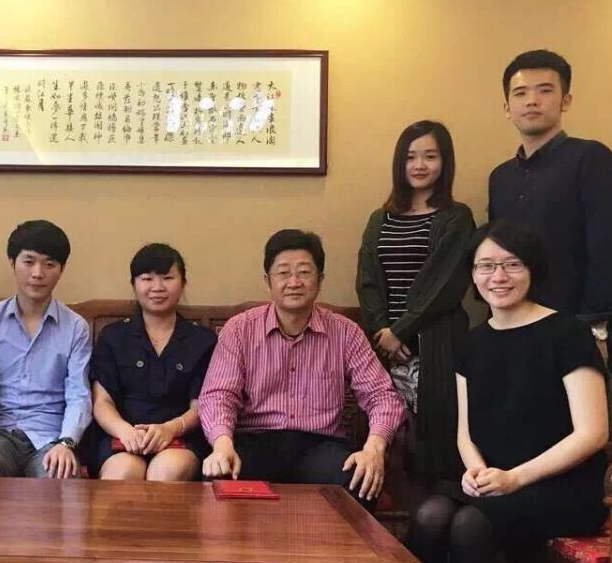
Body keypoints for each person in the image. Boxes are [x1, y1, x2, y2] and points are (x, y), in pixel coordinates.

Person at [406, 221, 609, 563]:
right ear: (473, 276)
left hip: (562, 488)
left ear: (532, 269)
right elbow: (464, 433)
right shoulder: (471, 343)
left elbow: (592, 433)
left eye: (511, 264)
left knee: (470, 524)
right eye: (486, 266)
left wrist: (515, 478)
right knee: (430, 514)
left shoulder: (567, 333)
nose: (498, 276)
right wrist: (475, 471)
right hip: (497, 484)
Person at [199, 229, 406, 506]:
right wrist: (222, 443)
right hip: (256, 442)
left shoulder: (346, 332)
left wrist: (374, 448)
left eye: (304, 272)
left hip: (319, 446)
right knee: (220, 473)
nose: (294, 282)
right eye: (283, 273)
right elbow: (218, 395)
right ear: (268, 281)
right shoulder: (240, 329)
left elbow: (382, 396)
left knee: (360, 480)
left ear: (320, 280)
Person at [356, 120, 476, 482]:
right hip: (386, 348)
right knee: (388, 434)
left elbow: (445, 284)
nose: (419, 165)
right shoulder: (380, 218)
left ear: (445, 162)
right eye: (410, 157)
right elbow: (367, 279)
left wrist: (402, 331)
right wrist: (382, 331)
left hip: (437, 345)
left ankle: (435, 509)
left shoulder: (457, 217)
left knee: (435, 441)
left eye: (430, 156)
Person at [489, 49, 612, 355]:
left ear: (566, 101)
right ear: (507, 108)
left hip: (571, 326)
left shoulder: (590, 158)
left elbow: (604, 248)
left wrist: (596, 328)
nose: (532, 101)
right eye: (520, 93)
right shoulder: (501, 177)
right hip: (509, 325)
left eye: (545, 91)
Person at [0, 220, 92, 478]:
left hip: (50, 438)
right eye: (28, 262)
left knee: (60, 474)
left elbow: (79, 394)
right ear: (12, 263)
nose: (37, 273)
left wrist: (67, 443)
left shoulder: (76, 327)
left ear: (61, 269)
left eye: (49, 264)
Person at [86, 243, 217, 481]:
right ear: (133, 285)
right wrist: (125, 431)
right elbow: (102, 401)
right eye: (147, 278)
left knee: (167, 470)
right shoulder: (114, 336)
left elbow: (201, 406)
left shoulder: (202, 340)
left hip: (181, 437)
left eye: (167, 278)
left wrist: (170, 429)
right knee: (123, 471)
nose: (157, 287)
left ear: (183, 283)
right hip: (121, 435)